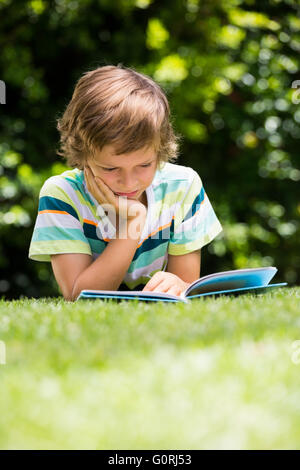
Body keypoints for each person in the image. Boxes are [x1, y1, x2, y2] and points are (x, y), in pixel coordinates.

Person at [28, 64, 223, 301]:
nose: (128, 182)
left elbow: (183, 287)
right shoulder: (63, 195)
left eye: (144, 165)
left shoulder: (181, 187)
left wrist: (178, 283)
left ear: (159, 152)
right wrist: (134, 220)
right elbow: (79, 296)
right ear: (83, 156)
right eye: (110, 168)